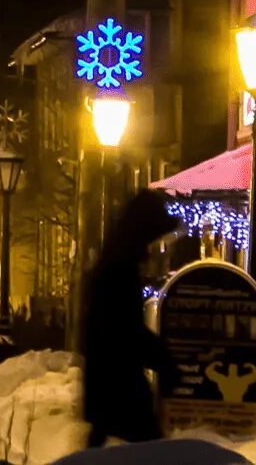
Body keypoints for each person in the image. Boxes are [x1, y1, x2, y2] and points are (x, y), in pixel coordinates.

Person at [80, 189, 182, 448]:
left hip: (107, 384)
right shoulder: (121, 270)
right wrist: (164, 360)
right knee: (149, 448)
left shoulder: (114, 263)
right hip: (120, 386)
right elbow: (126, 331)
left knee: (104, 448)